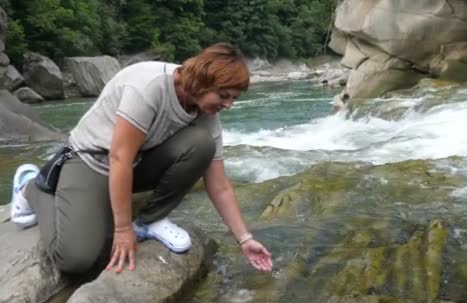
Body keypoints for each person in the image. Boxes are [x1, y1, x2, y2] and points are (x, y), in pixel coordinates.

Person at [9, 43, 273, 274]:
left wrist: (244, 239)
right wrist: (123, 230)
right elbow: (119, 157)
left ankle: (148, 221)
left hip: (134, 164)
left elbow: (219, 185)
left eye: (233, 98)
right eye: (224, 96)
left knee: (200, 145)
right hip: (91, 159)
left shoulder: (206, 115)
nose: (228, 105)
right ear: (203, 82)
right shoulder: (149, 86)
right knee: (75, 259)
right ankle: (32, 187)